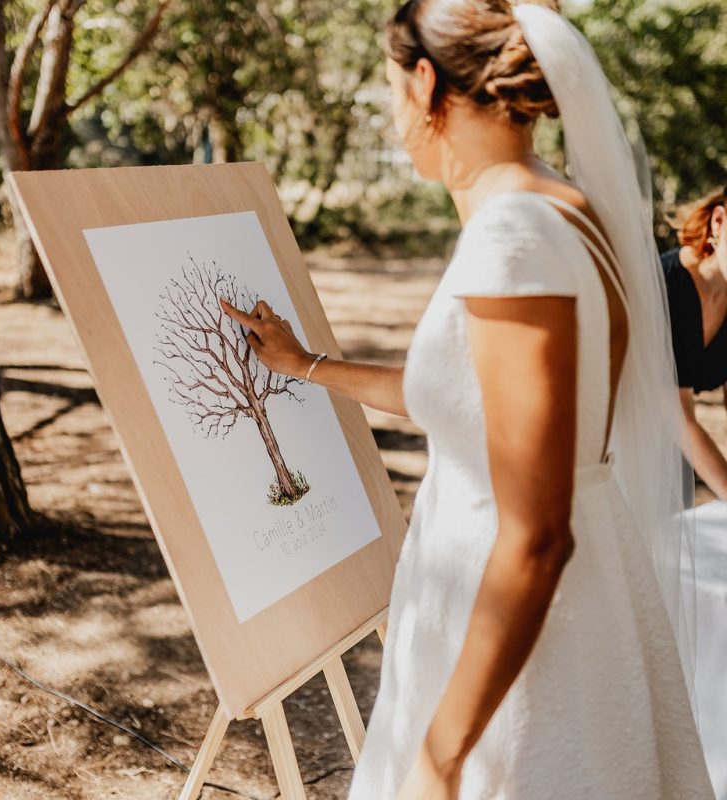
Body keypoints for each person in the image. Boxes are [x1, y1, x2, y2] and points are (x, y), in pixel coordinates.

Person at [221, 1, 713, 797]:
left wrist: (443, 753)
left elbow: (537, 534)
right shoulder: (564, 208)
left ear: (426, 82)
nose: (392, 118)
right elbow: (487, 410)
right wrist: (304, 364)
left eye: (390, 91)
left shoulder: (511, 237)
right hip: (551, 594)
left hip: (529, 630)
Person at [662, 187, 727, 500]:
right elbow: (679, 417)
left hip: (682, 461)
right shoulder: (667, 284)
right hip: (622, 444)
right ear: (718, 221)